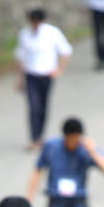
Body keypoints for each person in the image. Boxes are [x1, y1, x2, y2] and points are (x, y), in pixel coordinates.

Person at [15, 9, 73, 150]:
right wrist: (20, 78)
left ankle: (40, 135)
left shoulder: (52, 33)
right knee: (33, 106)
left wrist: (60, 69)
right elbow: (21, 57)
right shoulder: (24, 34)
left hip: (47, 74)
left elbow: (66, 51)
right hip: (31, 75)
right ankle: (34, 138)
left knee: (43, 106)